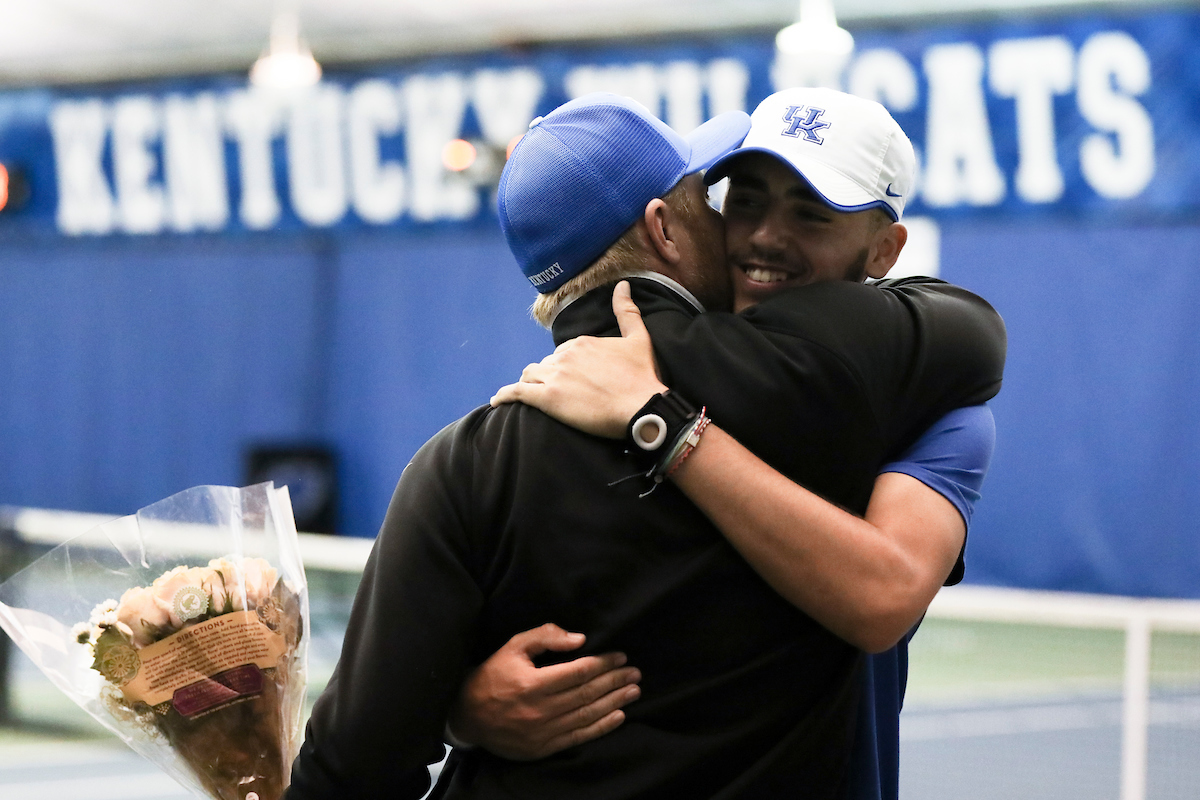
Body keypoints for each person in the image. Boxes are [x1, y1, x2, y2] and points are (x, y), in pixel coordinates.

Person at [285, 92, 1004, 799]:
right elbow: (973, 331)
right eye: (730, 199)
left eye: (811, 214)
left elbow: (348, 768)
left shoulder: (463, 464)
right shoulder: (873, 394)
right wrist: (459, 709)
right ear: (664, 228)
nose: (757, 235)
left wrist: (446, 711)